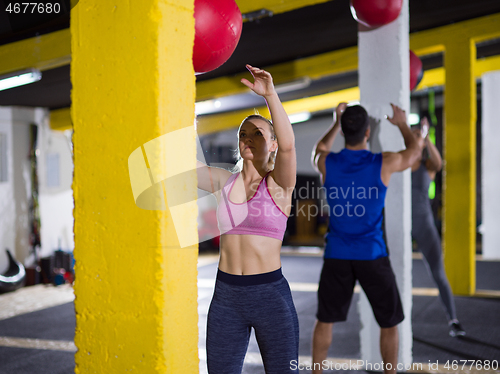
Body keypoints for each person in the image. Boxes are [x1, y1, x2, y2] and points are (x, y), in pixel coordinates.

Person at [196, 64, 299, 374]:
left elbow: (291, 145)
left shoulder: (279, 185)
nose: (250, 137)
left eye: (259, 133)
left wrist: (270, 95)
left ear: (273, 143)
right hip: (226, 297)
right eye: (244, 133)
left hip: (271, 297)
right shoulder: (222, 182)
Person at [310, 102, 422, 374]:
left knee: (325, 320)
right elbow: (414, 152)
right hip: (372, 255)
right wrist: (402, 123)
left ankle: (316, 372)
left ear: (346, 132)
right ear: (368, 132)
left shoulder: (328, 163)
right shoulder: (382, 162)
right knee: (389, 322)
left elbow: (317, 151)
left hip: (337, 254)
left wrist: (336, 122)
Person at [411, 117, 465, 337]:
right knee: (392, 273)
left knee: (438, 274)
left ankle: (453, 320)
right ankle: (394, 323)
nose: (417, 139)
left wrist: (425, 137)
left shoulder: (428, 166)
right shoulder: (401, 161)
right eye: (413, 135)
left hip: (424, 224)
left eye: (419, 137)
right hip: (402, 227)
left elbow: (439, 162)